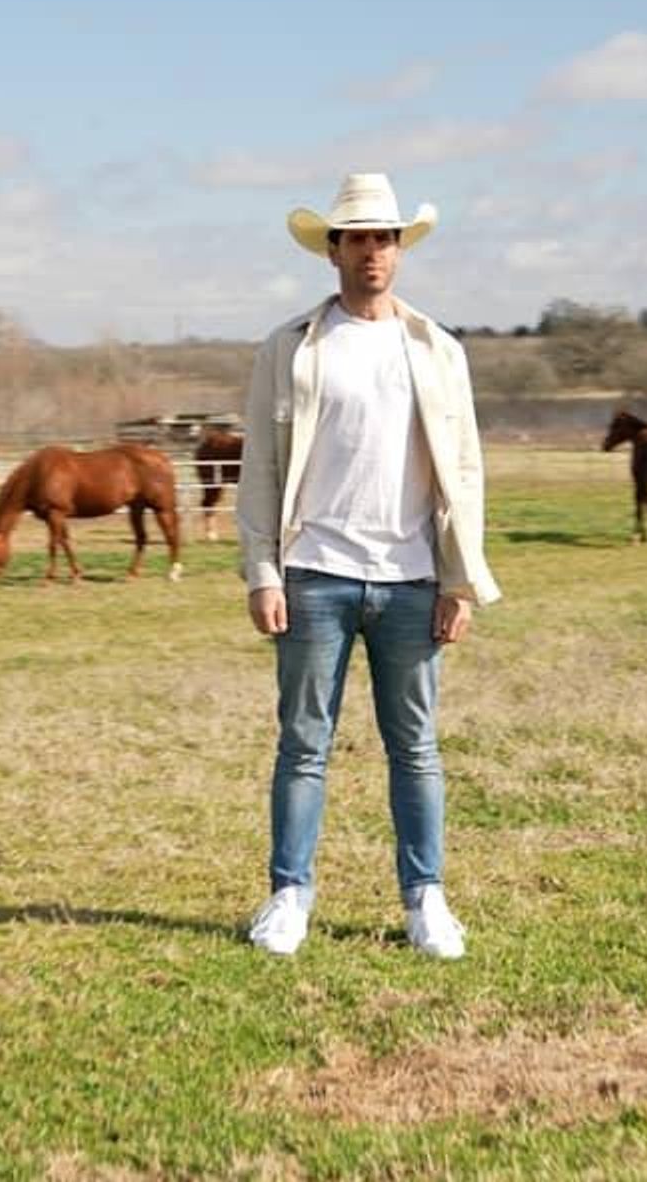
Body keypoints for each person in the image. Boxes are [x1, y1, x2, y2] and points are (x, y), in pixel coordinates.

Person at [236, 172, 500, 958]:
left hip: (412, 580)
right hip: (313, 574)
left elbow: (466, 469)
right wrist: (262, 571)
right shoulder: (290, 348)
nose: (374, 252)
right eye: (359, 238)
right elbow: (261, 468)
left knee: (415, 747)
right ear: (334, 250)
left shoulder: (437, 349)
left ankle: (427, 900)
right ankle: (289, 896)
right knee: (302, 744)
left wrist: (459, 579)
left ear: (399, 249)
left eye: (386, 238)